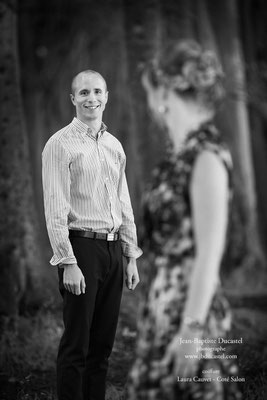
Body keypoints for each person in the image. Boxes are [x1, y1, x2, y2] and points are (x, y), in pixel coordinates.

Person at [127, 40, 242, 399]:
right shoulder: (175, 159)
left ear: (165, 94)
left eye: (150, 92)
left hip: (192, 312)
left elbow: (209, 252)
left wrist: (190, 333)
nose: (150, 105)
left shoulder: (206, 158)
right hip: (160, 310)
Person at [42, 69, 142, 400]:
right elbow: (55, 208)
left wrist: (130, 256)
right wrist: (67, 261)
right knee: (77, 346)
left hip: (113, 252)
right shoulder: (59, 144)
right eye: (83, 93)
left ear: (107, 97)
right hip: (81, 249)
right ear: (73, 99)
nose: (91, 98)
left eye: (97, 92)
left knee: (102, 349)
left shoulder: (114, 145)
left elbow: (122, 201)